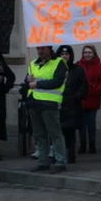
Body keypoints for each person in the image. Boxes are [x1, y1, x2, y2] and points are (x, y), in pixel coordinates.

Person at [26, 45, 68, 173]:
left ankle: (60, 162)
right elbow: (28, 81)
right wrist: (27, 80)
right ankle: (43, 161)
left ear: (50, 49)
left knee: (55, 134)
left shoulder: (59, 62)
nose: (40, 51)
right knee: (39, 134)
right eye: (38, 48)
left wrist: (37, 84)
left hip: (49, 103)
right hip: (34, 102)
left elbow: (57, 82)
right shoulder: (33, 63)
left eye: (43, 48)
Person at [57, 45, 88, 165]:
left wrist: (77, 96)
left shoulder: (77, 69)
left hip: (72, 105)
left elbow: (84, 85)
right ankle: (60, 154)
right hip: (58, 103)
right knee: (59, 131)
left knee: (70, 131)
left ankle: (71, 155)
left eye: (66, 54)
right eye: (62, 54)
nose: (64, 56)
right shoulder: (56, 68)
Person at [77, 45, 101, 156]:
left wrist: (96, 90)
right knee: (81, 125)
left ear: (94, 53)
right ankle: (82, 145)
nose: (87, 54)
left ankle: (92, 145)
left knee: (91, 124)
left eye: (89, 52)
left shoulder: (99, 66)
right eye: (85, 52)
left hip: (93, 98)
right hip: (80, 99)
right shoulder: (78, 65)